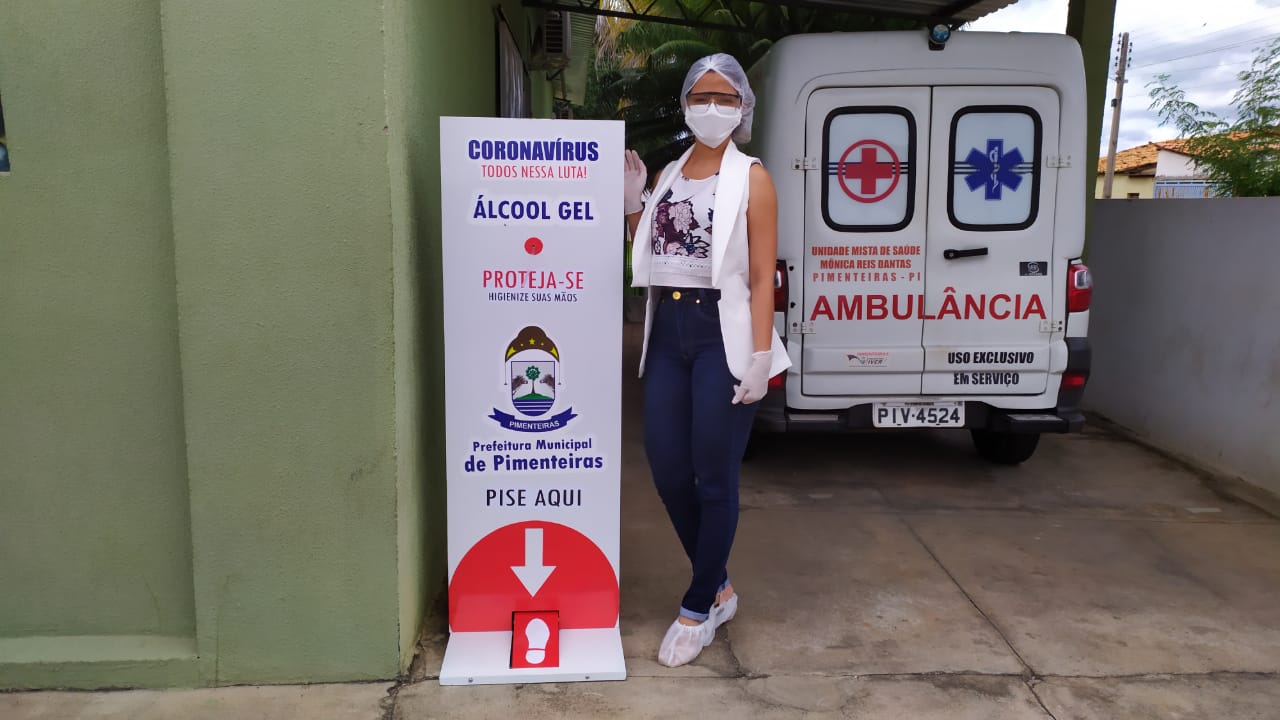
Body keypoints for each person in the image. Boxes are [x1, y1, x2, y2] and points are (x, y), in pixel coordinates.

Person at [623, 53, 791, 668]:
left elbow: (764, 275)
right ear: (687, 103)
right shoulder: (670, 172)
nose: (713, 108)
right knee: (668, 468)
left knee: (713, 475)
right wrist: (632, 204)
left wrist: (760, 354)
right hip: (668, 327)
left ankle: (699, 606)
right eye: (703, 96)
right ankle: (719, 583)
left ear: (742, 108)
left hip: (724, 330)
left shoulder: (755, 178)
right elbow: (655, 252)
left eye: (726, 98)